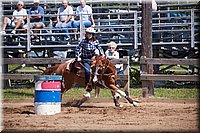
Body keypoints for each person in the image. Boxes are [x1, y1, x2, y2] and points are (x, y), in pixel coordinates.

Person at [75, 27, 104, 98]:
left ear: (93, 34)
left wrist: (102, 54)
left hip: (93, 59)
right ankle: (88, 88)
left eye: (90, 34)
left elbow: (99, 48)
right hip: (85, 59)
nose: (89, 35)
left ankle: (99, 83)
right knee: (87, 72)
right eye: (88, 34)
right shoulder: (83, 41)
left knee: (99, 70)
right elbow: (77, 49)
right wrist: (78, 57)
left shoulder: (96, 42)